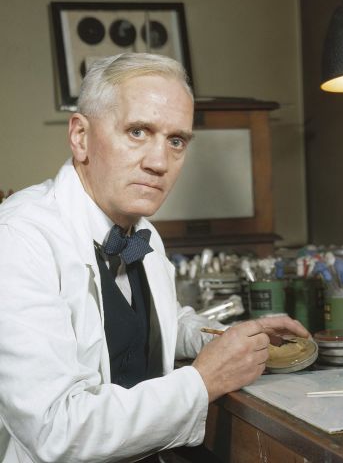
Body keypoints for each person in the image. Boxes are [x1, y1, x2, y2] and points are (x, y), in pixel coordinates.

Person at [0, 53, 308, 463]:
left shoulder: (142, 231)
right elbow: (56, 430)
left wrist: (221, 338)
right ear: (80, 137)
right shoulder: (20, 239)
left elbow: (156, 317)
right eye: (138, 131)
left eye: (176, 140)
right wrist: (203, 380)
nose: (159, 162)